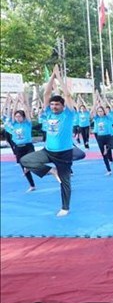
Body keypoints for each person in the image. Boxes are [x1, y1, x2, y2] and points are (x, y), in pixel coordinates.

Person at [20, 65, 76, 217]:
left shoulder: (68, 115)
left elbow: (68, 96)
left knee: (65, 182)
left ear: (63, 106)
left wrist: (60, 77)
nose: (54, 106)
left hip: (64, 154)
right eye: (52, 104)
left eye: (57, 104)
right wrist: (52, 76)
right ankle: (51, 171)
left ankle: (65, 207)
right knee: (25, 161)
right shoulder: (48, 114)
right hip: (48, 151)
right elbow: (46, 94)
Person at [9, 90, 36, 192]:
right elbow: (13, 112)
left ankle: (30, 167)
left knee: (30, 162)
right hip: (19, 148)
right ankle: (32, 185)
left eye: (19, 116)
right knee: (23, 167)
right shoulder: (14, 124)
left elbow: (27, 112)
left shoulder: (27, 123)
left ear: (23, 117)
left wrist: (24, 102)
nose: (17, 118)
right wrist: (15, 101)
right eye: (16, 116)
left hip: (28, 146)